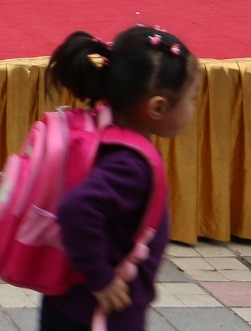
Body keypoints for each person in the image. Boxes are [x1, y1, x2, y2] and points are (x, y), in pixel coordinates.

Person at [40, 25, 200, 331]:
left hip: (69, 300)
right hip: (100, 311)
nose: (193, 106)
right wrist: (101, 278)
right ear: (157, 107)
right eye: (191, 98)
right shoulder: (130, 164)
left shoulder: (101, 131)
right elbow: (76, 209)